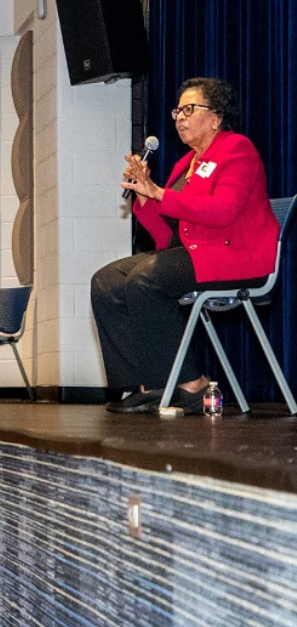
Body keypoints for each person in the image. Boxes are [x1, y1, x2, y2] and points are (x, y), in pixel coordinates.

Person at [91, 78, 279, 415]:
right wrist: (144, 195)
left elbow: (224, 211)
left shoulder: (237, 149)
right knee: (105, 282)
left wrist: (161, 193)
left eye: (189, 109)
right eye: (177, 110)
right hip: (193, 254)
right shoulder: (185, 164)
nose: (179, 117)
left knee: (146, 277)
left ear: (216, 117)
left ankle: (191, 383)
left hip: (234, 256)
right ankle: (146, 384)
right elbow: (166, 235)